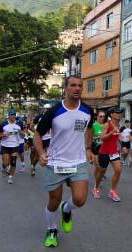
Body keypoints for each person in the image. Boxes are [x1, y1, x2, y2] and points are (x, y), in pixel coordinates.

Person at [33, 75, 94, 248]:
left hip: (78, 162)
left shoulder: (88, 111)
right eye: (73, 85)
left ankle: (66, 209)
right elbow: (37, 134)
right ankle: (51, 229)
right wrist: (40, 153)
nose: (77, 89)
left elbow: (89, 129)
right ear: (65, 88)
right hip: (56, 162)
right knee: (54, 200)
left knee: (80, 199)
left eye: (80, 86)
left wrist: (88, 148)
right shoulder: (54, 111)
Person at [94, 107, 123, 201]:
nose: (119, 114)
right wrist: (111, 132)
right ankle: (96, 187)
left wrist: (120, 142)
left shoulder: (118, 124)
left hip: (114, 152)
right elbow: (102, 138)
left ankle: (112, 191)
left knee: (118, 170)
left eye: (120, 113)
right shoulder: (107, 124)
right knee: (102, 172)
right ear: (112, 115)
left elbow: (116, 138)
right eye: (117, 112)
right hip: (104, 152)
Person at [0, 109, 22, 184]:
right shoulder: (3, 124)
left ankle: (10, 177)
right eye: (12, 115)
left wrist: (22, 133)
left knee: (13, 162)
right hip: (5, 146)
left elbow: (23, 136)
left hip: (15, 146)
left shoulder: (18, 125)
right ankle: (4, 168)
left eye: (14, 115)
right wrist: (4, 135)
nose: (13, 116)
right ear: (9, 116)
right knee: (5, 163)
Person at [32, 104, 53, 177]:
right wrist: (37, 132)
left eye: (49, 109)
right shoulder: (39, 117)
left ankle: (50, 171)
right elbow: (31, 126)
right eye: (46, 108)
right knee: (38, 156)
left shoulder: (53, 116)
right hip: (40, 138)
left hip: (49, 138)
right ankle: (33, 166)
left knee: (49, 153)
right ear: (43, 109)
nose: (47, 110)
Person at [91, 111, 106, 184]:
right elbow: (89, 138)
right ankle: (97, 182)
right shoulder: (93, 125)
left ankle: (100, 176)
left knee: (102, 166)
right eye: (100, 116)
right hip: (95, 147)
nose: (102, 118)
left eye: (103, 116)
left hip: (104, 148)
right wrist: (97, 137)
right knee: (97, 165)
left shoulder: (106, 126)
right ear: (97, 117)